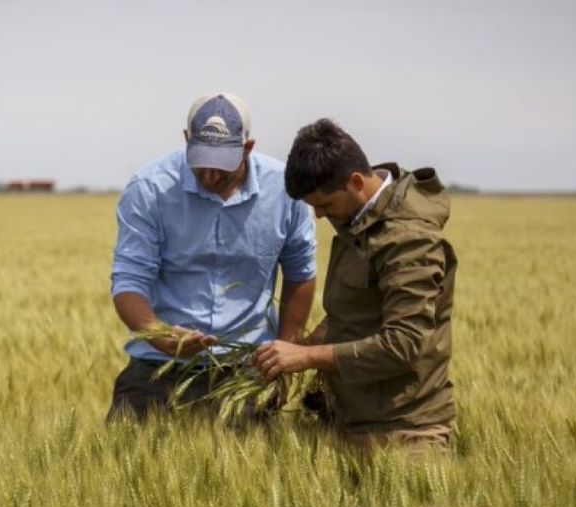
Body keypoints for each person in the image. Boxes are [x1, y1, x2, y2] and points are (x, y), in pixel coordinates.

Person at [107, 93, 317, 421]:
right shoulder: (150, 188)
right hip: (158, 365)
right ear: (186, 140)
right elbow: (129, 280)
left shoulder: (285, 190)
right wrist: (160, 335)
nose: (209, 175)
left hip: (247, 367)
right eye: (201, 161)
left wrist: (285, 353)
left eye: (221, 164)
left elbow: (301, 272)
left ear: (248, 147)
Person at [252, 118, 457, 454]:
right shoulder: (360, 217)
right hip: (350, 420)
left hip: (403, 431)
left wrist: (306, 357)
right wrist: (313, 339)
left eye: (324, 204)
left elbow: (404, 343)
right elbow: (365, 301)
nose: (318, 216)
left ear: (356, 181)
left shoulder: (408, 239)